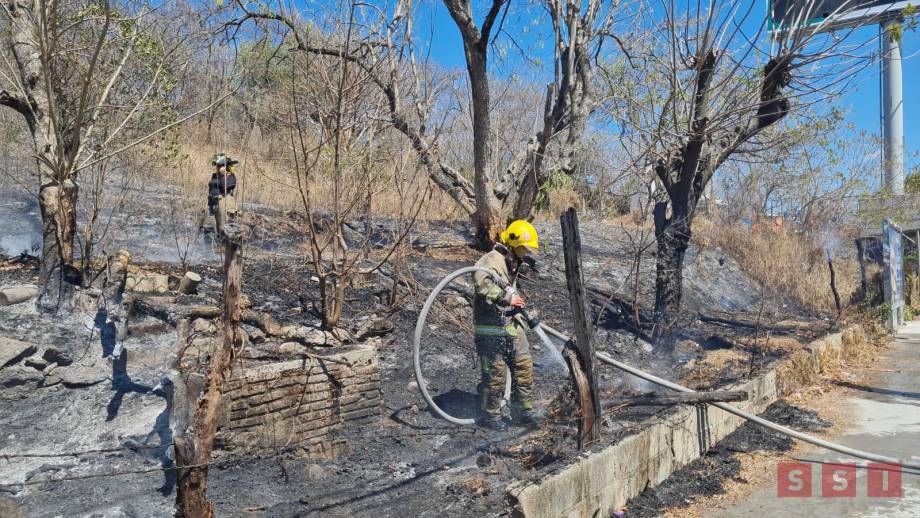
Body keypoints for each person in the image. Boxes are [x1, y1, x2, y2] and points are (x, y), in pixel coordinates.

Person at [472, 220, 541, 431]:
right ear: (513, 243)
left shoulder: (512, 261)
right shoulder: (491, 260)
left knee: (523, 367)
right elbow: (482, 283)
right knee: (495, 373)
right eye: (524, 248)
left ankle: (522, 413)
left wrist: (517, 302)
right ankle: (490, 416)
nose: (526, 253)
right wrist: (506, 298)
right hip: (491, 326)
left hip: (512, 324)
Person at [207, 153, 238, 229]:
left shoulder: (231, 176)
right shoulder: (215, 175)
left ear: (226, 166)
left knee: (223, 230)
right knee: (208, 229)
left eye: (220, 166)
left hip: (225, 204)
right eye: (217, 166)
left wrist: (222, 174)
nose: (217, 167)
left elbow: (226, 187)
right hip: (212, 204)